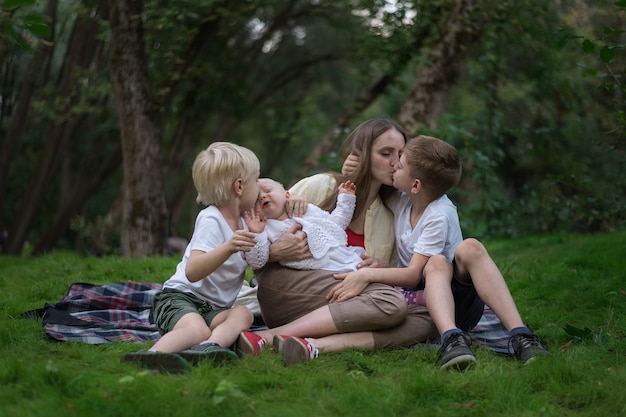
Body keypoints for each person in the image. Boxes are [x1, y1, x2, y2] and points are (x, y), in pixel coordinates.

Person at [329, 135, 548, 369]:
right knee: (436, 263)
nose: (394, 164)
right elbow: (371, 181)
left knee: (460, 251)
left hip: (456, 301)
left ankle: (520, 335)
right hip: (422, 301)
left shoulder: (438, 214)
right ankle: (452, 338)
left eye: (400, 164)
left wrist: (367, 275)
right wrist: (353, 169)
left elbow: (414, 275)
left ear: (415, 185)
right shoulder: (404, 198)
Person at [244, 118, 439, 365]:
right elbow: (259, 230)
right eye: (385, 153)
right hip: (290, 287)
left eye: (401, 154)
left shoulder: (391, 213)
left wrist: (381, 267)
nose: (395, 162)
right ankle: (273, 336)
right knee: (392, 305)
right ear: (361, 155)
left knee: (426, 318)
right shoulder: (322, 185)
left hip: (341, 296)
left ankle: (314, 345)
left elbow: (385, 279)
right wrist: (273, 251)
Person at [123, 142, 262, 373]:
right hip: (180, 298)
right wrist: (229, 247)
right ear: (239, 186)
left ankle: (208, 348)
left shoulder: (249, 223)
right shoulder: (211, 219)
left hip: (213, 309)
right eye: (257, 180)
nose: (260, 187)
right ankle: (151, 357)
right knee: (196, 329)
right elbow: (193, 270)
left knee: (244, 314)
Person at [244, 178, 366, 272]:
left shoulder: (306, 210)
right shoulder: (264, 228)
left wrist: (346, 199)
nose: (262, 196)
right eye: (255, 198)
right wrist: (256, 234)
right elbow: (257, 261)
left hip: (346, 258)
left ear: (287, 195)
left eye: (268, 190)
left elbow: (336, 224)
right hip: (319, 272)